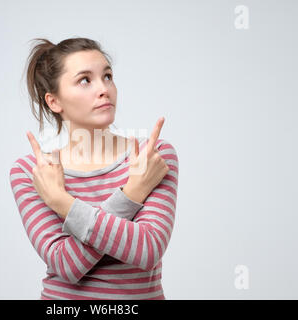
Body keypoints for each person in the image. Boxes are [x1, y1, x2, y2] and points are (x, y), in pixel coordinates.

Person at [9, 37, 179, 300]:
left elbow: (147, 250)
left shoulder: (152, 157)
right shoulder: (34, 171)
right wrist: (132, 193)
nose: (104, 89)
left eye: (107, 76)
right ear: (54, 102)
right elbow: (66, 266)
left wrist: (62, 202)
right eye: (85, 80)